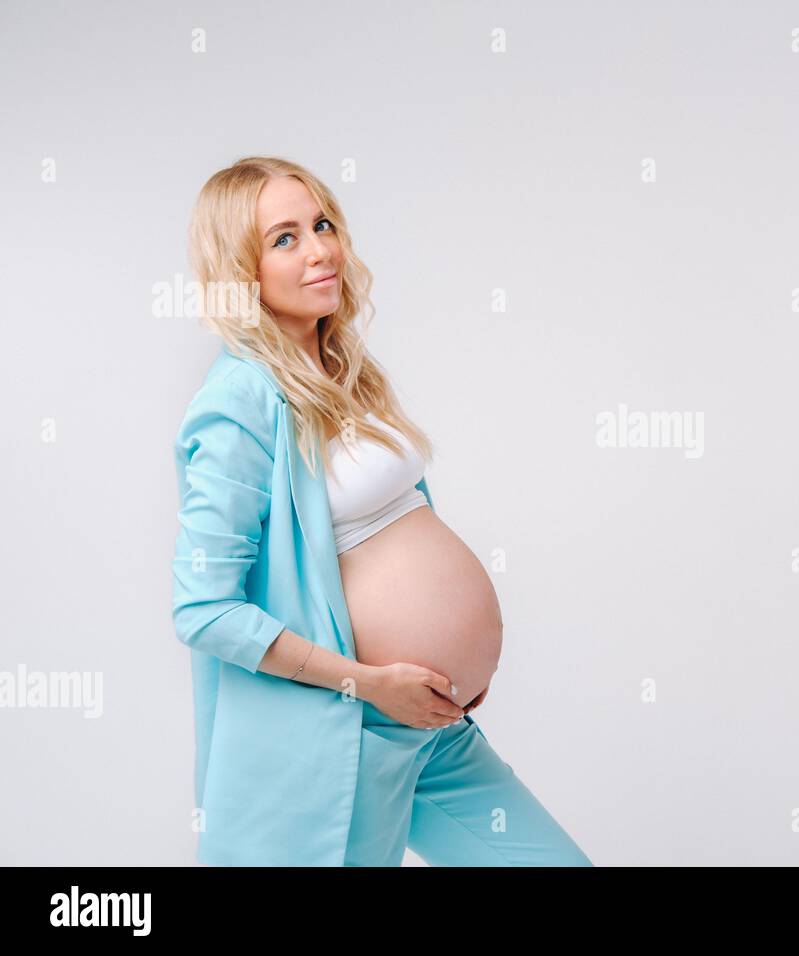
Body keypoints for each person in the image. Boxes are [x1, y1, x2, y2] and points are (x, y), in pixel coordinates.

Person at [172, 156, 591, 866]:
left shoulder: (344, 370)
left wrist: (459, 658)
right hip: (349, 734)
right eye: (285, 238)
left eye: (322, 224)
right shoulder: (237, 401)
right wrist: (369, 684)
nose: (319, 250)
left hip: (429, 729)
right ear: (241, 270)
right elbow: (202, 611)